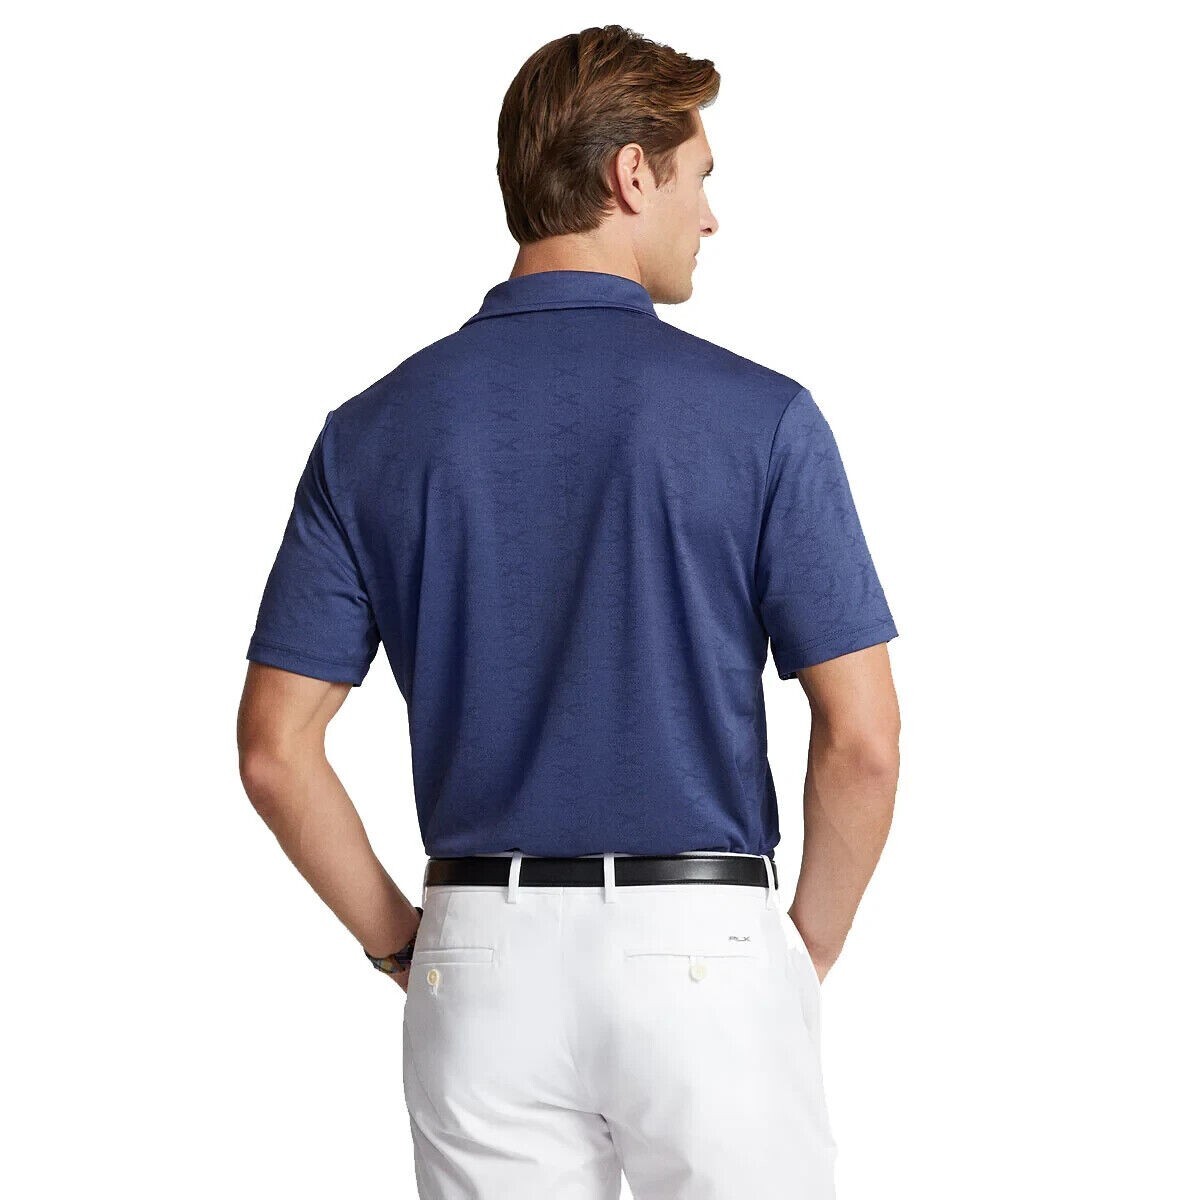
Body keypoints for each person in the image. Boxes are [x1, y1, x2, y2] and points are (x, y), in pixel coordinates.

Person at [237, 23, 900, 1199]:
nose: (710, 217)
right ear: (631, 174)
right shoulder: (763, 419)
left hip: (481, 955)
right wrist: (799, 956)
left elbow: (275, 750)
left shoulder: (371, 432)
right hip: (704, 946)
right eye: (698, 177)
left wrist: (407, 941)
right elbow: (864, 740)